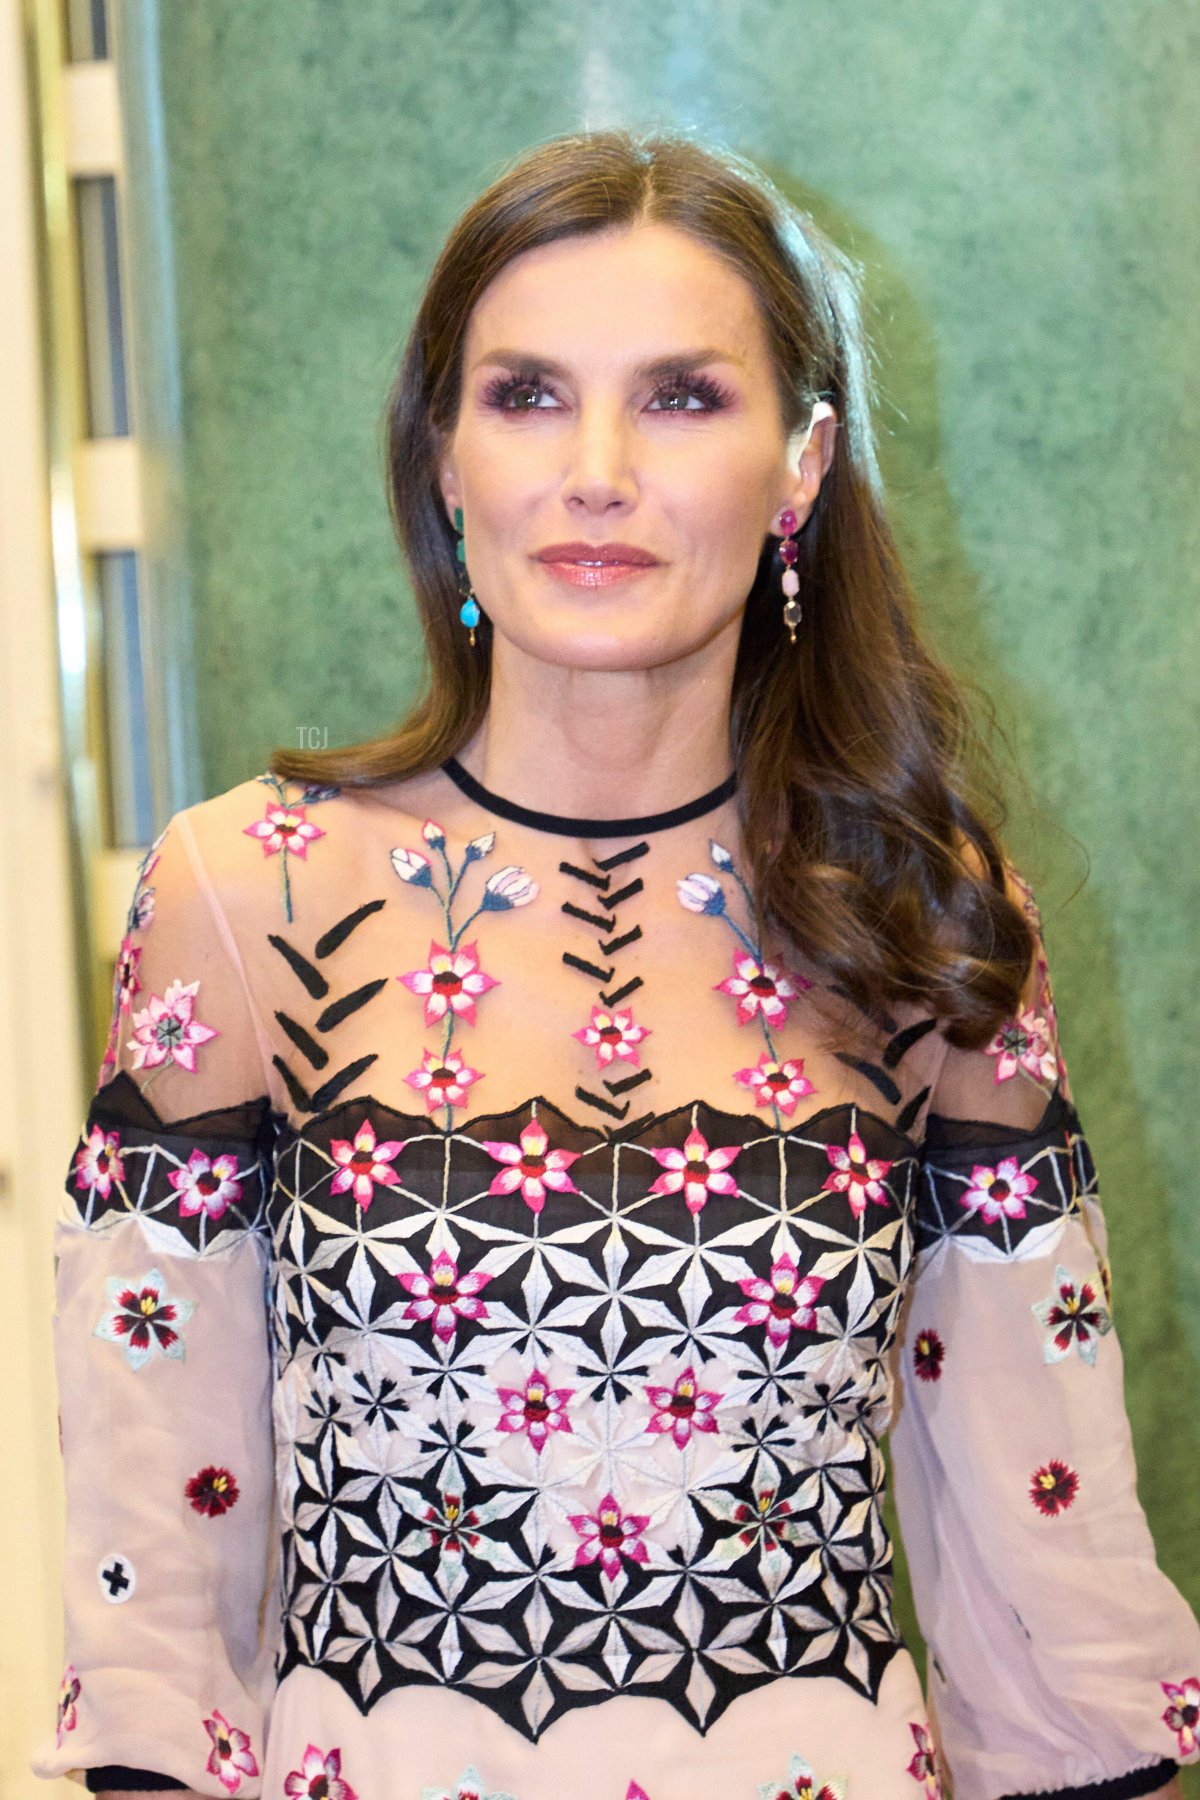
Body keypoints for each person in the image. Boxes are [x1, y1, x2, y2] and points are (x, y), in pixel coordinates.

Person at [31, 127, 1199, 1800]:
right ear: (444, 458)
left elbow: (1053, 1571)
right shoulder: (245, 896)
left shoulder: (923, 908)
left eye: (680, 398)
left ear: (801, 466)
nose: (595, 471)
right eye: (525, 396)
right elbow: (155, 1588)